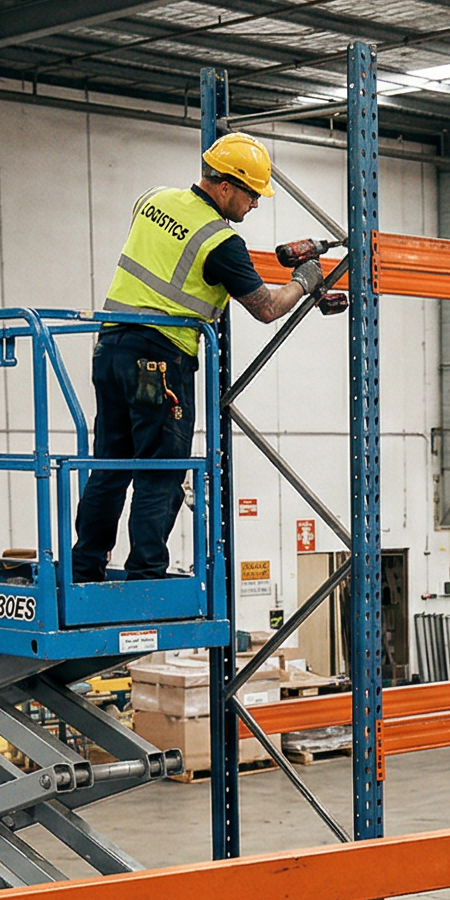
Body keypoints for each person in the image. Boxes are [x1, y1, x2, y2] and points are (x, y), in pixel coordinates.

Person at [71, 132, 346, 583]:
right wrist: (303, 280)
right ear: (225, 186)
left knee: (110, 463)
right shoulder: (221, 242)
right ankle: (146, 578)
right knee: (160, 471)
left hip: (111, 349)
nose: (254, 204)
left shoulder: (153, 199)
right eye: (251, 194)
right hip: (160, 362)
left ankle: (85, 568)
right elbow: (266, 308)